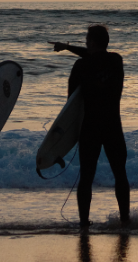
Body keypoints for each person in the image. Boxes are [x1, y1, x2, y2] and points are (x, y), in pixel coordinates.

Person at [50, 25, 130, 228]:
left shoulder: (80, 67)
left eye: (87, 39)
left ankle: (84, 222)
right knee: (120, 173)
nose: (85, 42)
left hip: (90, 126)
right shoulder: (116, 61)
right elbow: (95, 56)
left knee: (86, 176)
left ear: (92, 42)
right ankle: (125, 220)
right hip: (112, 125)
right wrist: (68, 48)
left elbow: (71, 105)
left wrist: (68, 133)